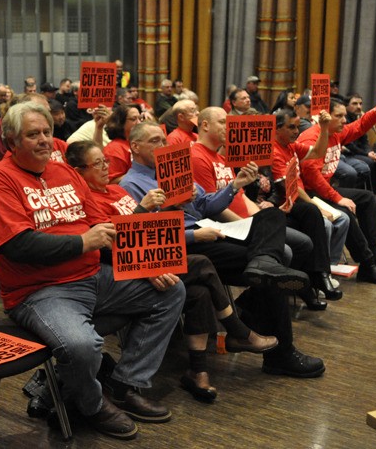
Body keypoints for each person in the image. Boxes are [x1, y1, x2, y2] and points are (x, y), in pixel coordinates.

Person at [0, 101, 185, 440]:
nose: (44, 140)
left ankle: (124, 384)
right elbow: (19, 246)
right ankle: (92, 405)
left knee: (170, 290)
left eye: (47, 132)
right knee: (81, 346)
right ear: (12, 141)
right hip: (40, 292)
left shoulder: (65, 173)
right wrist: (83, 243)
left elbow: (103, 227)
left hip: (92, 277)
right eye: (33, 134)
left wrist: (141, 266)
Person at [66, 140, 278, 402]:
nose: (105, 166)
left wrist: (168, 208)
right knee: (201, 264)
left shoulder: (115, 191)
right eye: (97, 163)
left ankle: (198, 370)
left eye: (105, 161)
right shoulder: (91, 199)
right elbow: (113, 243)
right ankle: (237, 330)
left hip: (155, 254)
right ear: (77, 171)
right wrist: (143, 209)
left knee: (199, 290)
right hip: (130, 265)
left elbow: (154, 230)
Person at [121, 122, 325, 378]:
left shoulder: (172, 168)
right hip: (186, 246)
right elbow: (145, 239)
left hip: (208, 229)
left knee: (271, 218)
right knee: (278, 264)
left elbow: (207, 204)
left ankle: (260, 270)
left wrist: (235, 185)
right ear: (135, 146)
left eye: (164, 140)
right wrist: (194, 234)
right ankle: (280, 353)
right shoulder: (130, 185)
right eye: (155, 141)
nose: (163, 146)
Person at [191, 107, 335, 310]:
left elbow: (241, 196)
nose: (229, 128)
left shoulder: (220, 156)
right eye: (223, 123)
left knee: (303, 240)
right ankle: (266, 302)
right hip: (230, 225)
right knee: (287, 250)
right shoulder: (197, 157)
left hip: (247, 220)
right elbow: (211, 207)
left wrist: (261, 218)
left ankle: (287, 293)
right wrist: (252, 224)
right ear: (204, 125)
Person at [296, 96, 376, 286]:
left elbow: (360, 125)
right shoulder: (311, 137)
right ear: (325, 117)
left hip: (323, 189)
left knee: (367, 198)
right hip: (307, 194)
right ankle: (367, 264)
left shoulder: (337, 132)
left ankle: (375, 252)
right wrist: (338, 198)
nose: (345, 120)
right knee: (345, 212)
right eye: (339, 116)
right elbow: (312, 177)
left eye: (345, 115)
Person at [269, 109, 349, 297]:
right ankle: (320, 275)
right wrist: (318, 207)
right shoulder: (274, 151)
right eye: (291, 127)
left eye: (298, 127)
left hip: (296, 201)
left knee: (342, 217)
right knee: (318, 216)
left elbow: (318, 151)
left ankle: (322, 274)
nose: (297, 131)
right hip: (284, 204)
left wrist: (323, 128)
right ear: (277, 129)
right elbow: (290, 189)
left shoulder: (291, 146)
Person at [101, 104, 142, 183]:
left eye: (140, 118)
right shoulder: (114, 149)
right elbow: (111, 182)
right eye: (134, 119)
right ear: (121, 122)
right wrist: (141, 174)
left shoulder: (140, 142)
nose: (139, 123)